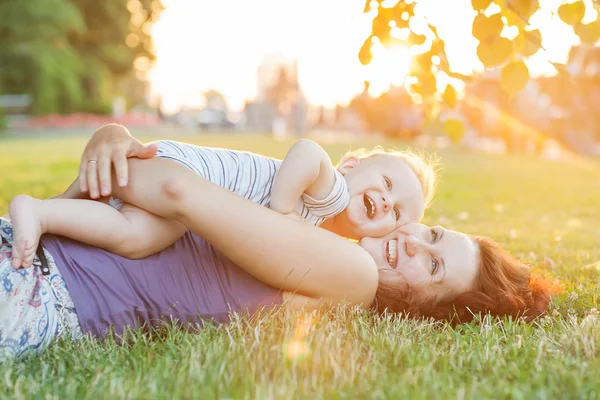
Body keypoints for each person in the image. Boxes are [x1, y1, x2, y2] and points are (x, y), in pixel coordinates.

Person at [0, 129, 554, 360]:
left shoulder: (350, 276)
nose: (411, 240)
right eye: (432, 234)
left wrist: (116, 152)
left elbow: (175, 188)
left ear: (420, 310)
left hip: (42, 292)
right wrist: (112, 140)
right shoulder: (321, 217)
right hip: (35, 249)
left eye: (432, 268)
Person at [8, 125, 438, 269]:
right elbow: (307, 151)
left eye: (396, 212)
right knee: (136, 229)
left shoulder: (329, 233)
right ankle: (47, 214)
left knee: (134, 237)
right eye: (385, 183)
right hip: (188, 174)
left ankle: (41, 213)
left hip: (187, 199)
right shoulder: (333, 194)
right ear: (351, 166)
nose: (385, 201)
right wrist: (280, 212)